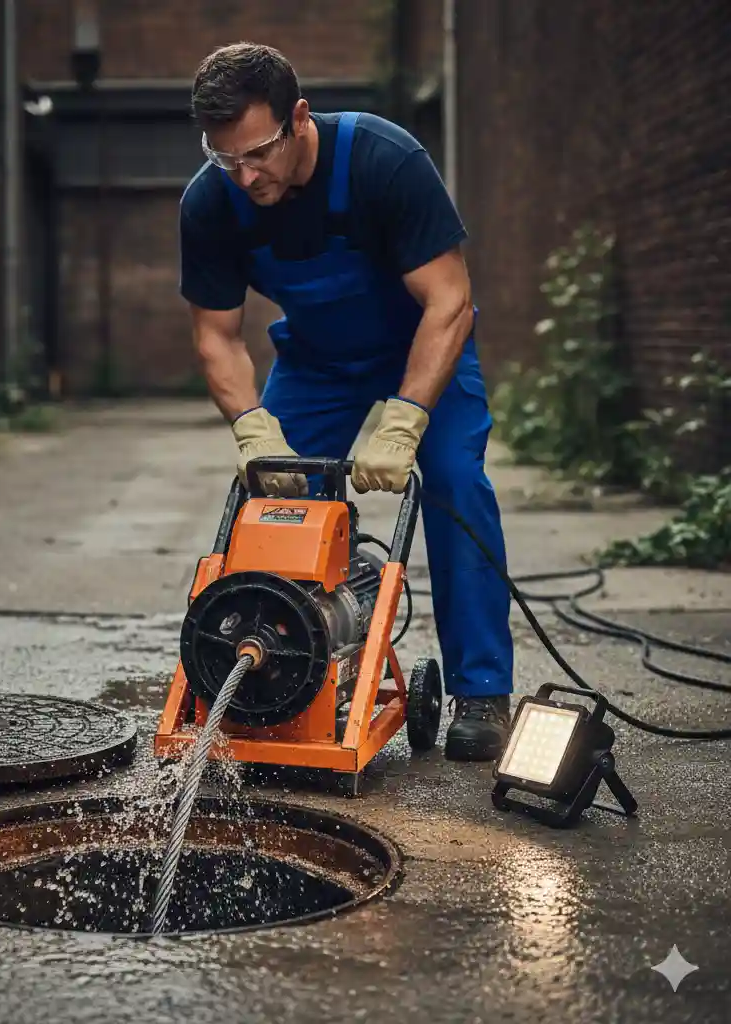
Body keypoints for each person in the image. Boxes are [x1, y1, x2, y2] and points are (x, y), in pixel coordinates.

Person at [178, 42, 515, 762]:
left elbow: (450, 301)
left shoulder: (382, 162)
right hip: (319, 360)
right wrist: (252, 431)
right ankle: (282, 674)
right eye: (225, 158)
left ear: (300, 118)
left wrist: (404, 421)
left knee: (455, 482)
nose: (245, 175)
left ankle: (482, 688)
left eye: (259, 154)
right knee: (270, 508)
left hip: (421, 345)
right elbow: (216, 336)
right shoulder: (213, 201)